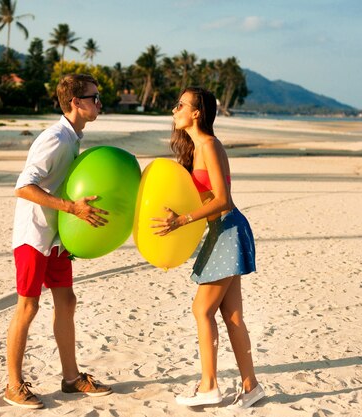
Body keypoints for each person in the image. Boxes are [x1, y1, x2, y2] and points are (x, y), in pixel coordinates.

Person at [152, 87, 265, 409]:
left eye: (180, 105)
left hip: (228, 230)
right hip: (221, 231)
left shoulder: (209, 145)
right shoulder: (196, 149)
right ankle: (251, 387)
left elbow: (222, 199)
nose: (174, 110)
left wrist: (182, 220)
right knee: (232, 316)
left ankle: (209, 386)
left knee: (202, 310)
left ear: (197, 112)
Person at [4, 73, 113, 409]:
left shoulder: (73, 137)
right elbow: (24, 186)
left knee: (67, 302)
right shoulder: (54, 138)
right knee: (29, 306)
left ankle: (71, 378)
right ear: (76, 102)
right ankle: (13, 385)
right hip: (34, 236)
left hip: (57, 237)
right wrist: (71, 208)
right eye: (94, 97)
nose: (99, 103)